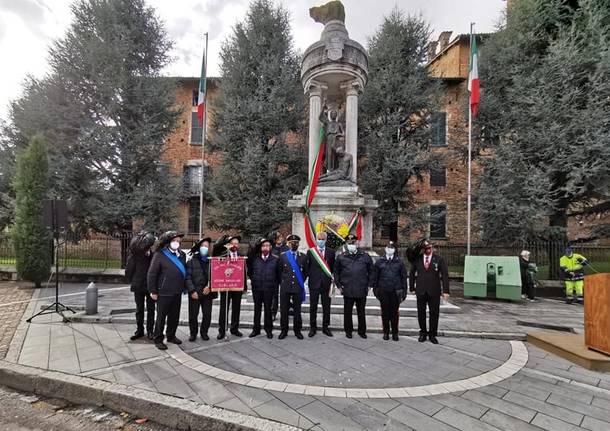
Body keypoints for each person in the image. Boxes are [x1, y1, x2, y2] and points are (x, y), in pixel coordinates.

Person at [147, 231, 187, 350]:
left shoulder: (182, 255)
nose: (176, 243)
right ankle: (158, 338)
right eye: (174, 241)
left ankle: (171, 335)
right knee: (161, 317)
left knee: (174, 316)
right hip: (163, 291)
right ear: (169, 242)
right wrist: (153, 291)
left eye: (178, 241)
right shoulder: (160, 254)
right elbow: (152, 274)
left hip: (177, 291)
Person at [408, 240, 449, 344]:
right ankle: (423, 333)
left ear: (432, 248)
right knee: (421, 313)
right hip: (421, 290)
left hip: (434, 291)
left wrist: (446, 291)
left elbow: (444, 275)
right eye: (426, 248)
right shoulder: (417, 259)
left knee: (434, 313)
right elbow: (412, 273)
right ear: (423, 249)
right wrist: (412, 287)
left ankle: (432, 334)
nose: (428, 250)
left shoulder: (439, 259)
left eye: (430, 247)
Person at [334, 234, 374, 339]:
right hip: (347, 288)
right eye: (349, 243)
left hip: (361, 288)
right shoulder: (341, 257)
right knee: (347, 312)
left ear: (357, 243)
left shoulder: (365, 256)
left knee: (361, 312)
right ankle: (348, 330)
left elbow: (372, 271)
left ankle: (362, 331)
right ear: (346, 244)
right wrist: (338, 285)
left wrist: (370, 284)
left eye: (353, 242)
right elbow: (336, 272)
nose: (351, 244)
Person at [373, 241, 408, 341]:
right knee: (385, 313)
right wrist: (376, 290)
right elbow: (376, 277)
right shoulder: (380, 261)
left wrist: (404, 291)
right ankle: (386, 332)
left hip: (395, 291)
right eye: (388, 247)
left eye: (392, 247)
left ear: (394, 250)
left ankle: (395, 333)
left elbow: (403, 277)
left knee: (394, 313)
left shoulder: (399, 262)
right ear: (385, 249)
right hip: (383, 291)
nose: (390, 249)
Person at [248, 238, 282, 339]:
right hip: (257, 288)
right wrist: (254, 280)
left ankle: (269, 330)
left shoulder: (275, 259)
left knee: (268, 310)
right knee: (257, 309)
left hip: (269, 289)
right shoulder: (255, 259)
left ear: (270, 247)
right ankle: (256, 329)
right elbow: (250, 272)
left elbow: (278, 275)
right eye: (263, 246)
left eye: (267, 246)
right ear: (260, 247)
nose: (265, 247)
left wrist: (275, 287)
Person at [125, 231, 156, 341]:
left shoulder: (153, 256)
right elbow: (128, 272)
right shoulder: (133, 257)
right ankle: (139, 330)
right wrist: (134, 280)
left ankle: (150, 331)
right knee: (139, 310)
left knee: (151, 310)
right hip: (138, 286)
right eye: (147, 247)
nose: (148, 249)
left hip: (150, 287)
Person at [186, 237, 216, 342]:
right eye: (202, 246)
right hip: (195, 292)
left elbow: (216, 277)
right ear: (199, 247)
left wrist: (210, 287)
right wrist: (192, 291)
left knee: (207, 315)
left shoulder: (212, 261)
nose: (204, 248)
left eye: (206, 246)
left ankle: (204, 332)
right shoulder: (191, 261)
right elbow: (187, 277)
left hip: (207, 292)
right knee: (193, 315)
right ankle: (193, 333)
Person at [278, 234, 308, 340]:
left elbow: (306, 272)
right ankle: (283, 330)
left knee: (297, 310)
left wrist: (300, 281)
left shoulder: (303, 257)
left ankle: (297, 331)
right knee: (284, 310)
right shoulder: (283, 256)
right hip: (285, 287)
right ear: (288, 244)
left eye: (296, 243)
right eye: (291, 243)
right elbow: (279, 272)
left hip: (297, 287)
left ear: (298, 244)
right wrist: (284, 281)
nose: (294, 244)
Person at [217, 235, 247, 339]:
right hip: (225, 286)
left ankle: (234, 328)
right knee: (223, 308)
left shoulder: (242, 256)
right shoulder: (223, 255)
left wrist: (244, 286)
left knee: (236, 307)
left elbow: (244, 271)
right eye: (232, 243)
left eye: (236, 243)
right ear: (228, 245)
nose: (234, 245)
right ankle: (222, 330)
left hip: (237, 285)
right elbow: (218, 270)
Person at [307, 231, 335, 337]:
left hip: (326, 284)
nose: (321, 241)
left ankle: (325, 327)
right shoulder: (311, 252)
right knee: (313, 307)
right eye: (319, 239)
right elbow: (307, 267)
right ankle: (312, 328)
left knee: (326, 307)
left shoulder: (331, 252)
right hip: (314, 284)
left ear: (326, 240)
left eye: (323, 239)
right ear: (316, 240)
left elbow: (333, 267)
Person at [270, 231, 289, 321]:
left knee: (285, 294)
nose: (279, 238)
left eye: (280, 237)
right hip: (273, 274)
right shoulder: (271, 248)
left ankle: (285, 311)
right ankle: (273, 313)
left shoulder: (286, 248)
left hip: (283, 274)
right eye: (277, 237)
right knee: (274, 295)